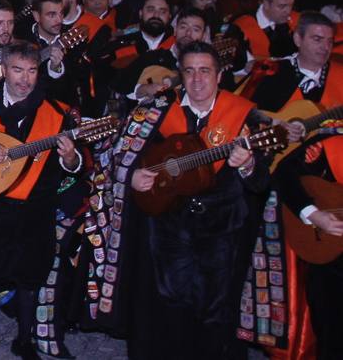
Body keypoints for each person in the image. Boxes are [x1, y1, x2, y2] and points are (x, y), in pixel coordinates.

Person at [127, 43, 267, 358]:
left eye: (205, 71)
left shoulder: (244, 115)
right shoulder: (158, 110)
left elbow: (262, 181)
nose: (197, 80)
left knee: (215, 310)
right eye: (189, 71)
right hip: (169, 226)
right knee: (169, 304)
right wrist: (132, 177)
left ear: (219, 75)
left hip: (221, 229)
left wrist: (247, 165)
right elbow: (125, 156)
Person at [0, 42, 83, 360]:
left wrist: (70, 157)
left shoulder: (57, 113)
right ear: (3, 70)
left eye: (31, 71)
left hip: (35, 208)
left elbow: (74, 166)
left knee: (30, 276)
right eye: (17, 70)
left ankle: (24, 339)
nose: (25, 79)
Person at [273, 127, 343, 358]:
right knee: (332, 333)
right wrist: (313, 214)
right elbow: (284, 173)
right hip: (331, 258)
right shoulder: (329, 144)